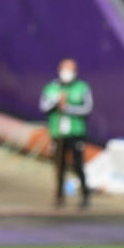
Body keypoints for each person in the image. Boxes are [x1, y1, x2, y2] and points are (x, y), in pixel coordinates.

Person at [40, 59, 92, 209]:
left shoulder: (82, 87)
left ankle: (85, 194)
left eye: (70, 69)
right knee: (59, 165)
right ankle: (59, 195)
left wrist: (68, 107)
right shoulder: (51, 88)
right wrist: (57, 102)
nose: (66, 72)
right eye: (64, 69)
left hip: (75, 132)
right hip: (57, 132)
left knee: (78, 165)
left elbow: (87, 108)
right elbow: (43, 106)